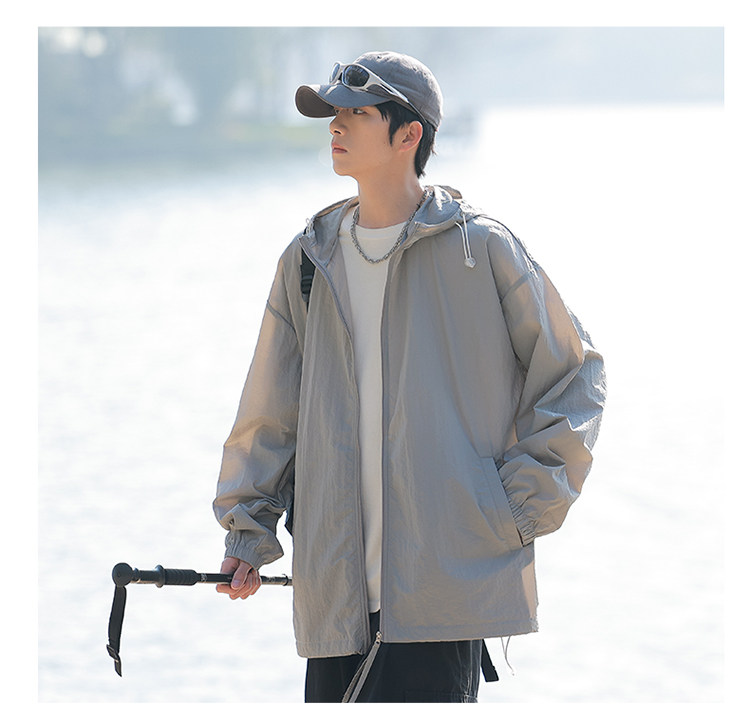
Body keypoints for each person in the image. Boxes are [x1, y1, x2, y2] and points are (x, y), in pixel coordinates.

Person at [213, 51, 606, 703]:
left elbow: (575, 375)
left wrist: (512, 508)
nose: (336, 125)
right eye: (333, 113)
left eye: (357, 112)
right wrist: (247, 533)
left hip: (444, 593)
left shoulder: (482, 250)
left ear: (408, 134)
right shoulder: (307, 260)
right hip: (334, 599)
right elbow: (270, 412)